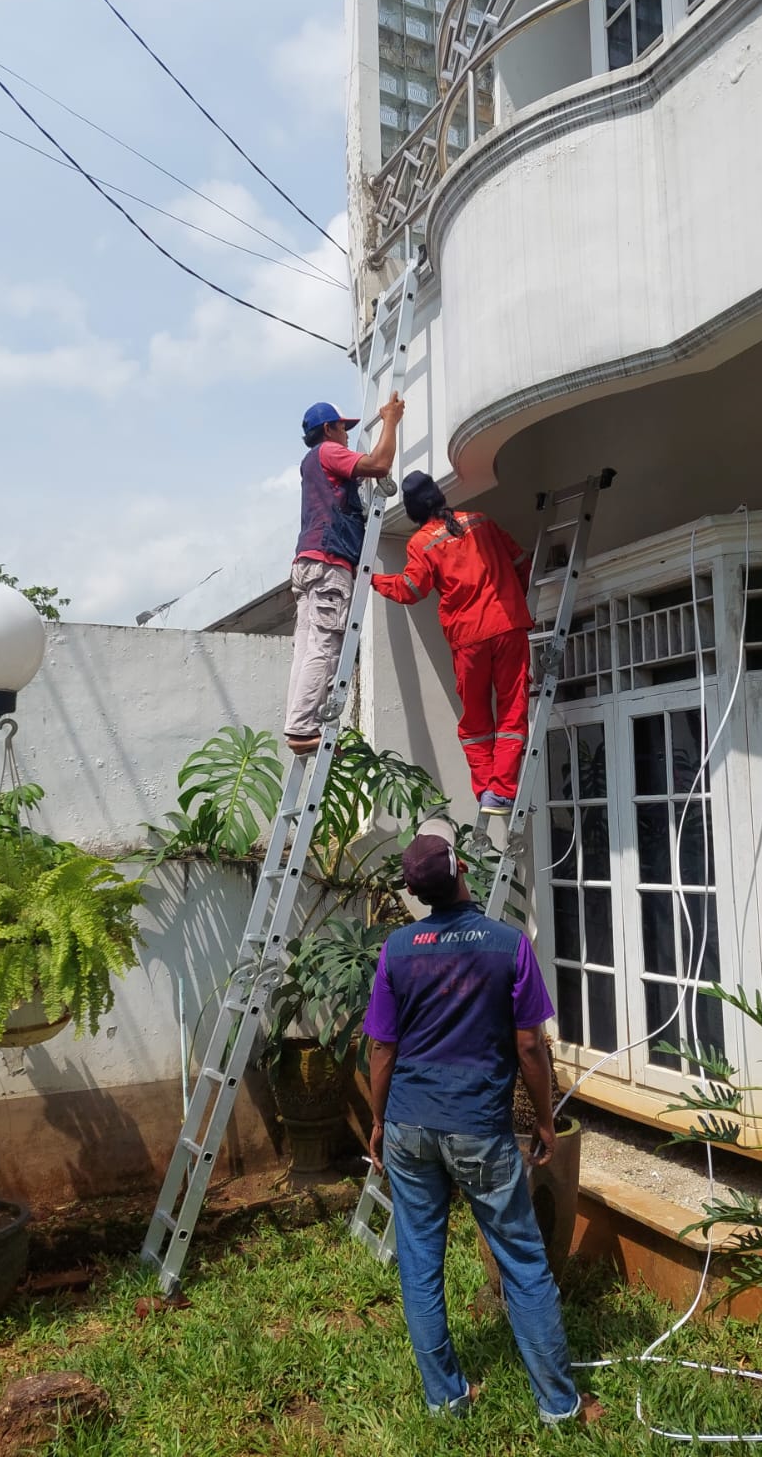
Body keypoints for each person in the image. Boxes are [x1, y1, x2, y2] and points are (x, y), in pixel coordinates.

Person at [363, 820, 601, 1430]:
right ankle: (558, 1405)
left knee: (419, 1258)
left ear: (414, 895)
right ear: (462, 870)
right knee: (522, 1259)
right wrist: (544, 1120)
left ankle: (445, 1398)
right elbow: (530, 1048)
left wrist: (377, 1120)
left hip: (410, 1125)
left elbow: (382, 1051)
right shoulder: (507, 944)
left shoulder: (395, 950)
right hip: (479, 1129)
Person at [371, 473, 532, 812]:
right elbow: (521, 562)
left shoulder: (421, 543)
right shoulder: (480, 521)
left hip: (469, 638)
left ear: (413, 511)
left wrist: (375, 580)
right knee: (512, 710)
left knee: (475, 720)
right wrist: (515, 602)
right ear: (440, 496)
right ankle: (502, 790)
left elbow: (411, 590)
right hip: (508, 626)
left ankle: (489, 789)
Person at [285, 394, 404, 754]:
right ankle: (304, 729)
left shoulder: (311, 462)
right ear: (328, 429)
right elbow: (380, 465)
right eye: (343, 428)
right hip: (328, 563)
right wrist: (391, 420)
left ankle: (298, 725)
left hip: (309, 562)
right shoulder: (328, 453)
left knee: (307, 650)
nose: (348, 436)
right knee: (324, 648)